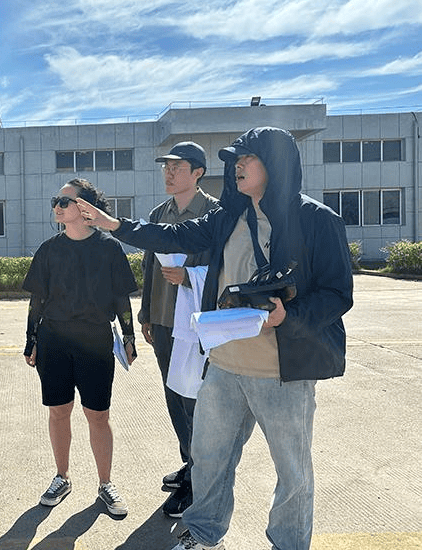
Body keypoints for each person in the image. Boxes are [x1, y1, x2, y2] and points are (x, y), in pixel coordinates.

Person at [75, 127, 353, 550]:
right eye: (235, 160)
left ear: (274, 163)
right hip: (223, 364)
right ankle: (205, 535)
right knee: (208, 459)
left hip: (282, 371)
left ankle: (288, 544)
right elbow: (174, 236)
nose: (237, 165)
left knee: (292, 472)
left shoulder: (317, 219)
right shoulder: (229, 215)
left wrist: (290, 315)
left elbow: (337, 294)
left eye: (247, 158)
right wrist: (115, 225)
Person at [22, 178, 138, 516]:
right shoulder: (49, 249)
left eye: (64, 201)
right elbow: (37, 300)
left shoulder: (109, 248)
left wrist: (129, 336)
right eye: (55, 202)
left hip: (95, 340)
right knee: (59, 411)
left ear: (85, 207)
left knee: (98, 414)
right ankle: (62, 477)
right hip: (54, 340)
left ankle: (105, 484)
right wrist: (30, 340)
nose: (57, 207)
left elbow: (121, 299)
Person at [139, 142, 218, 518]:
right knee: (174, 397)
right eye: (166, 167)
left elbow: (226, 267)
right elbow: (149, 267)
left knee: (196, 401)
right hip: (163, 320)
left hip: (197, 324)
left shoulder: (215, 212)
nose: (169, 174)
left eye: (177, 167)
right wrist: (146, 313)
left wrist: (189, 276)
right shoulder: (159, 213)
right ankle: (190, 463)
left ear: (198, 172)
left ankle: (201, 478)